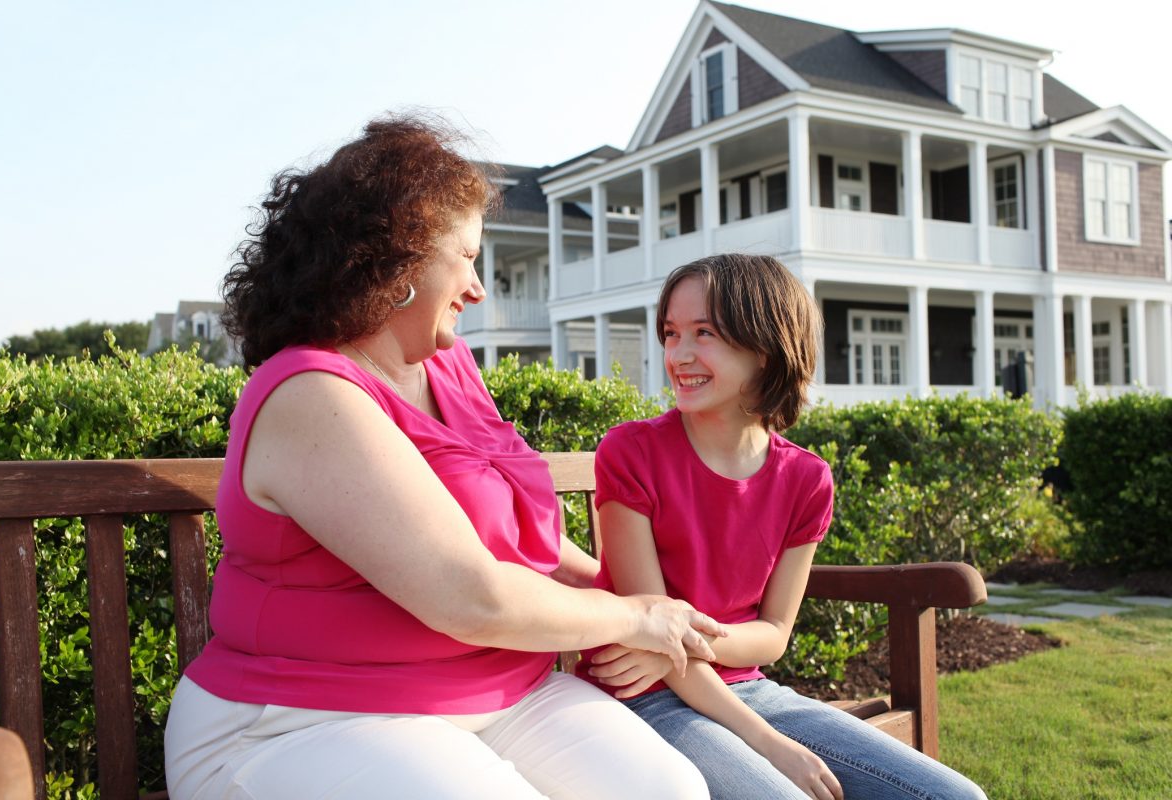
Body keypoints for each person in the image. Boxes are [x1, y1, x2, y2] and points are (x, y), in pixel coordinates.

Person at [162, 115, 724, 800]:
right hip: (303, 718)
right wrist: (638, 618)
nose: (478, 287)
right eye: (465, 256)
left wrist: (639, 611)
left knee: (670, 790)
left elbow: (529, 547)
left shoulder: (449, 365)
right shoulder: (310, 394)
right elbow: (471, 596)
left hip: (500, 694)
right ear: (394, 257)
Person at [577, 254, 987, 800]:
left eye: (704, 333)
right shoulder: (632, 453)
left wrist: (679, 643)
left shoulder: (806, 479)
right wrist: (770, 744)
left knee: (958, 797)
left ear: (766, 348)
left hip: (744, 688)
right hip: (642, 693)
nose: (680, 355)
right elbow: (652, 629)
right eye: (672, 334)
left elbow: (771, 635)